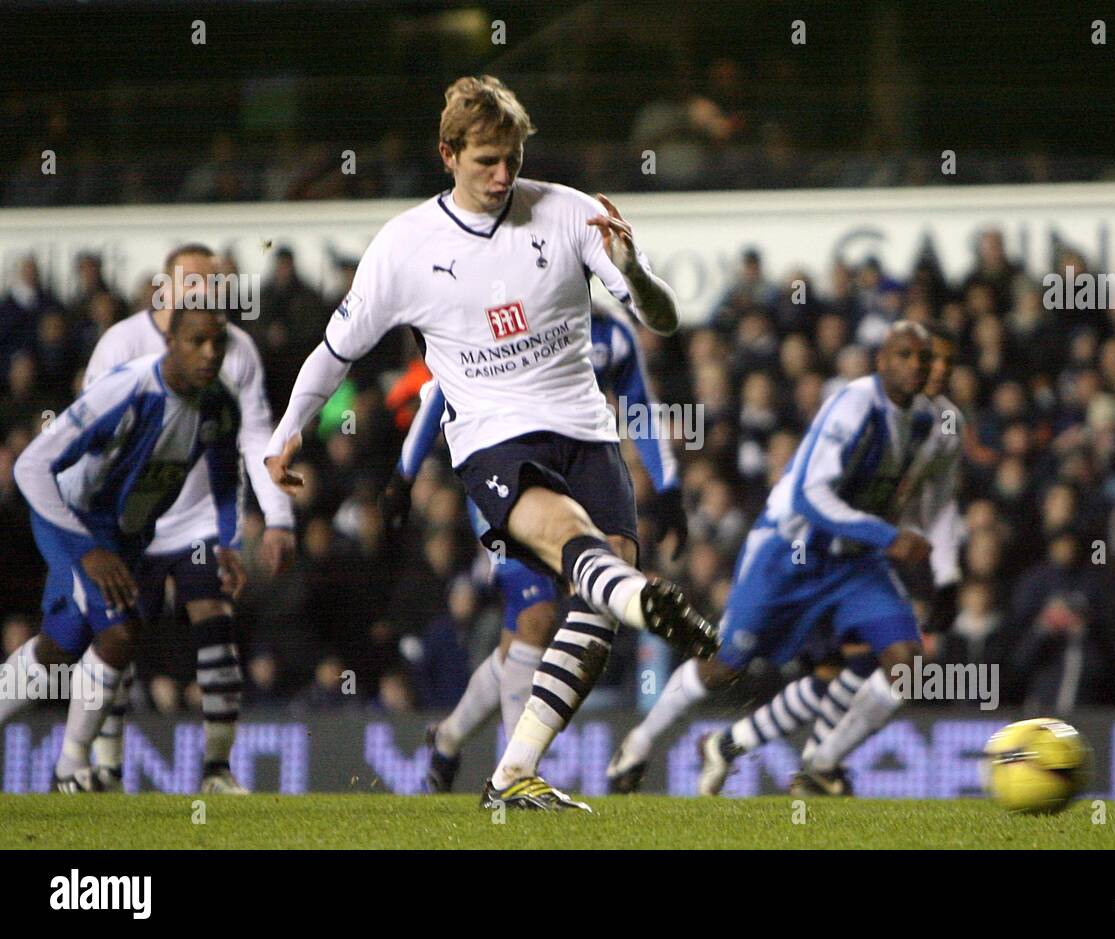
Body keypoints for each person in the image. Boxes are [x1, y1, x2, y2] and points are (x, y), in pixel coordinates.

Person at [263, 75, 717, 812]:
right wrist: (287, 436)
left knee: (594, 612)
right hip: (493, 441)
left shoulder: (569, 213)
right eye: (486, 161)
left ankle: (513, 773)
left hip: (585, 432)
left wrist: (633, 270)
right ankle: (640, 597)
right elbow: (333, 351)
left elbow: (659, 318)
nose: (504, 175)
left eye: (512, 157)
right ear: (447, 154)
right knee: (567, 568)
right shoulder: (406, 245)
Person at [607, 322, 954, 795]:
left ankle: (818, 765)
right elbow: (811, 496)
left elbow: (937, 503)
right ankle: (642, 742)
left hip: (854, 563)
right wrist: (888, 535)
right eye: (905, 355)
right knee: (726, 663)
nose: (918, 366)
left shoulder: (931, 424)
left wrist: (944, 573)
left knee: (903, 667)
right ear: (882, 361)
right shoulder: (854, 406)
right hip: (791, 552)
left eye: (925, 358)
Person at [383, 303, 688, 793]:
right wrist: (404, 475)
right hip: (507, 476)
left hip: (581, 477)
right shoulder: (517, 314)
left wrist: (667, 487)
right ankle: (518, 773)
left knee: (532, 632)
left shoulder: (612, 335)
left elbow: (640, 408)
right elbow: (441, 389)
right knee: (536, 618)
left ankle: (451, 736)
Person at [78, 244, 296, 794]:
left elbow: (254, 436)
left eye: (215, 283)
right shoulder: (121, 344)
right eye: (194, 283)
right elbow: (87, 437)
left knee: (216, 622)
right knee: (117, 639)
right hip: (129, 523)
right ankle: (104, 766)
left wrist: (277, 517)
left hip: (198, 519)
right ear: (166, 289)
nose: (206, 293)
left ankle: (217, 770)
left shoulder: (237, 349)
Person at [4, 303, 244, 792]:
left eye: (218, 343)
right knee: (121, 630)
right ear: (170, 342)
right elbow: (30, 466)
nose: (210, 354)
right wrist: (86, 548)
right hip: (74, 518)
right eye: (197, 342)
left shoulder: (220, 406)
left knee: (61, 645)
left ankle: (71, 767)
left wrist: (226, 540)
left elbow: (223, 473)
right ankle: (71, 768)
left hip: (126, 534)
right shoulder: (127, 390)